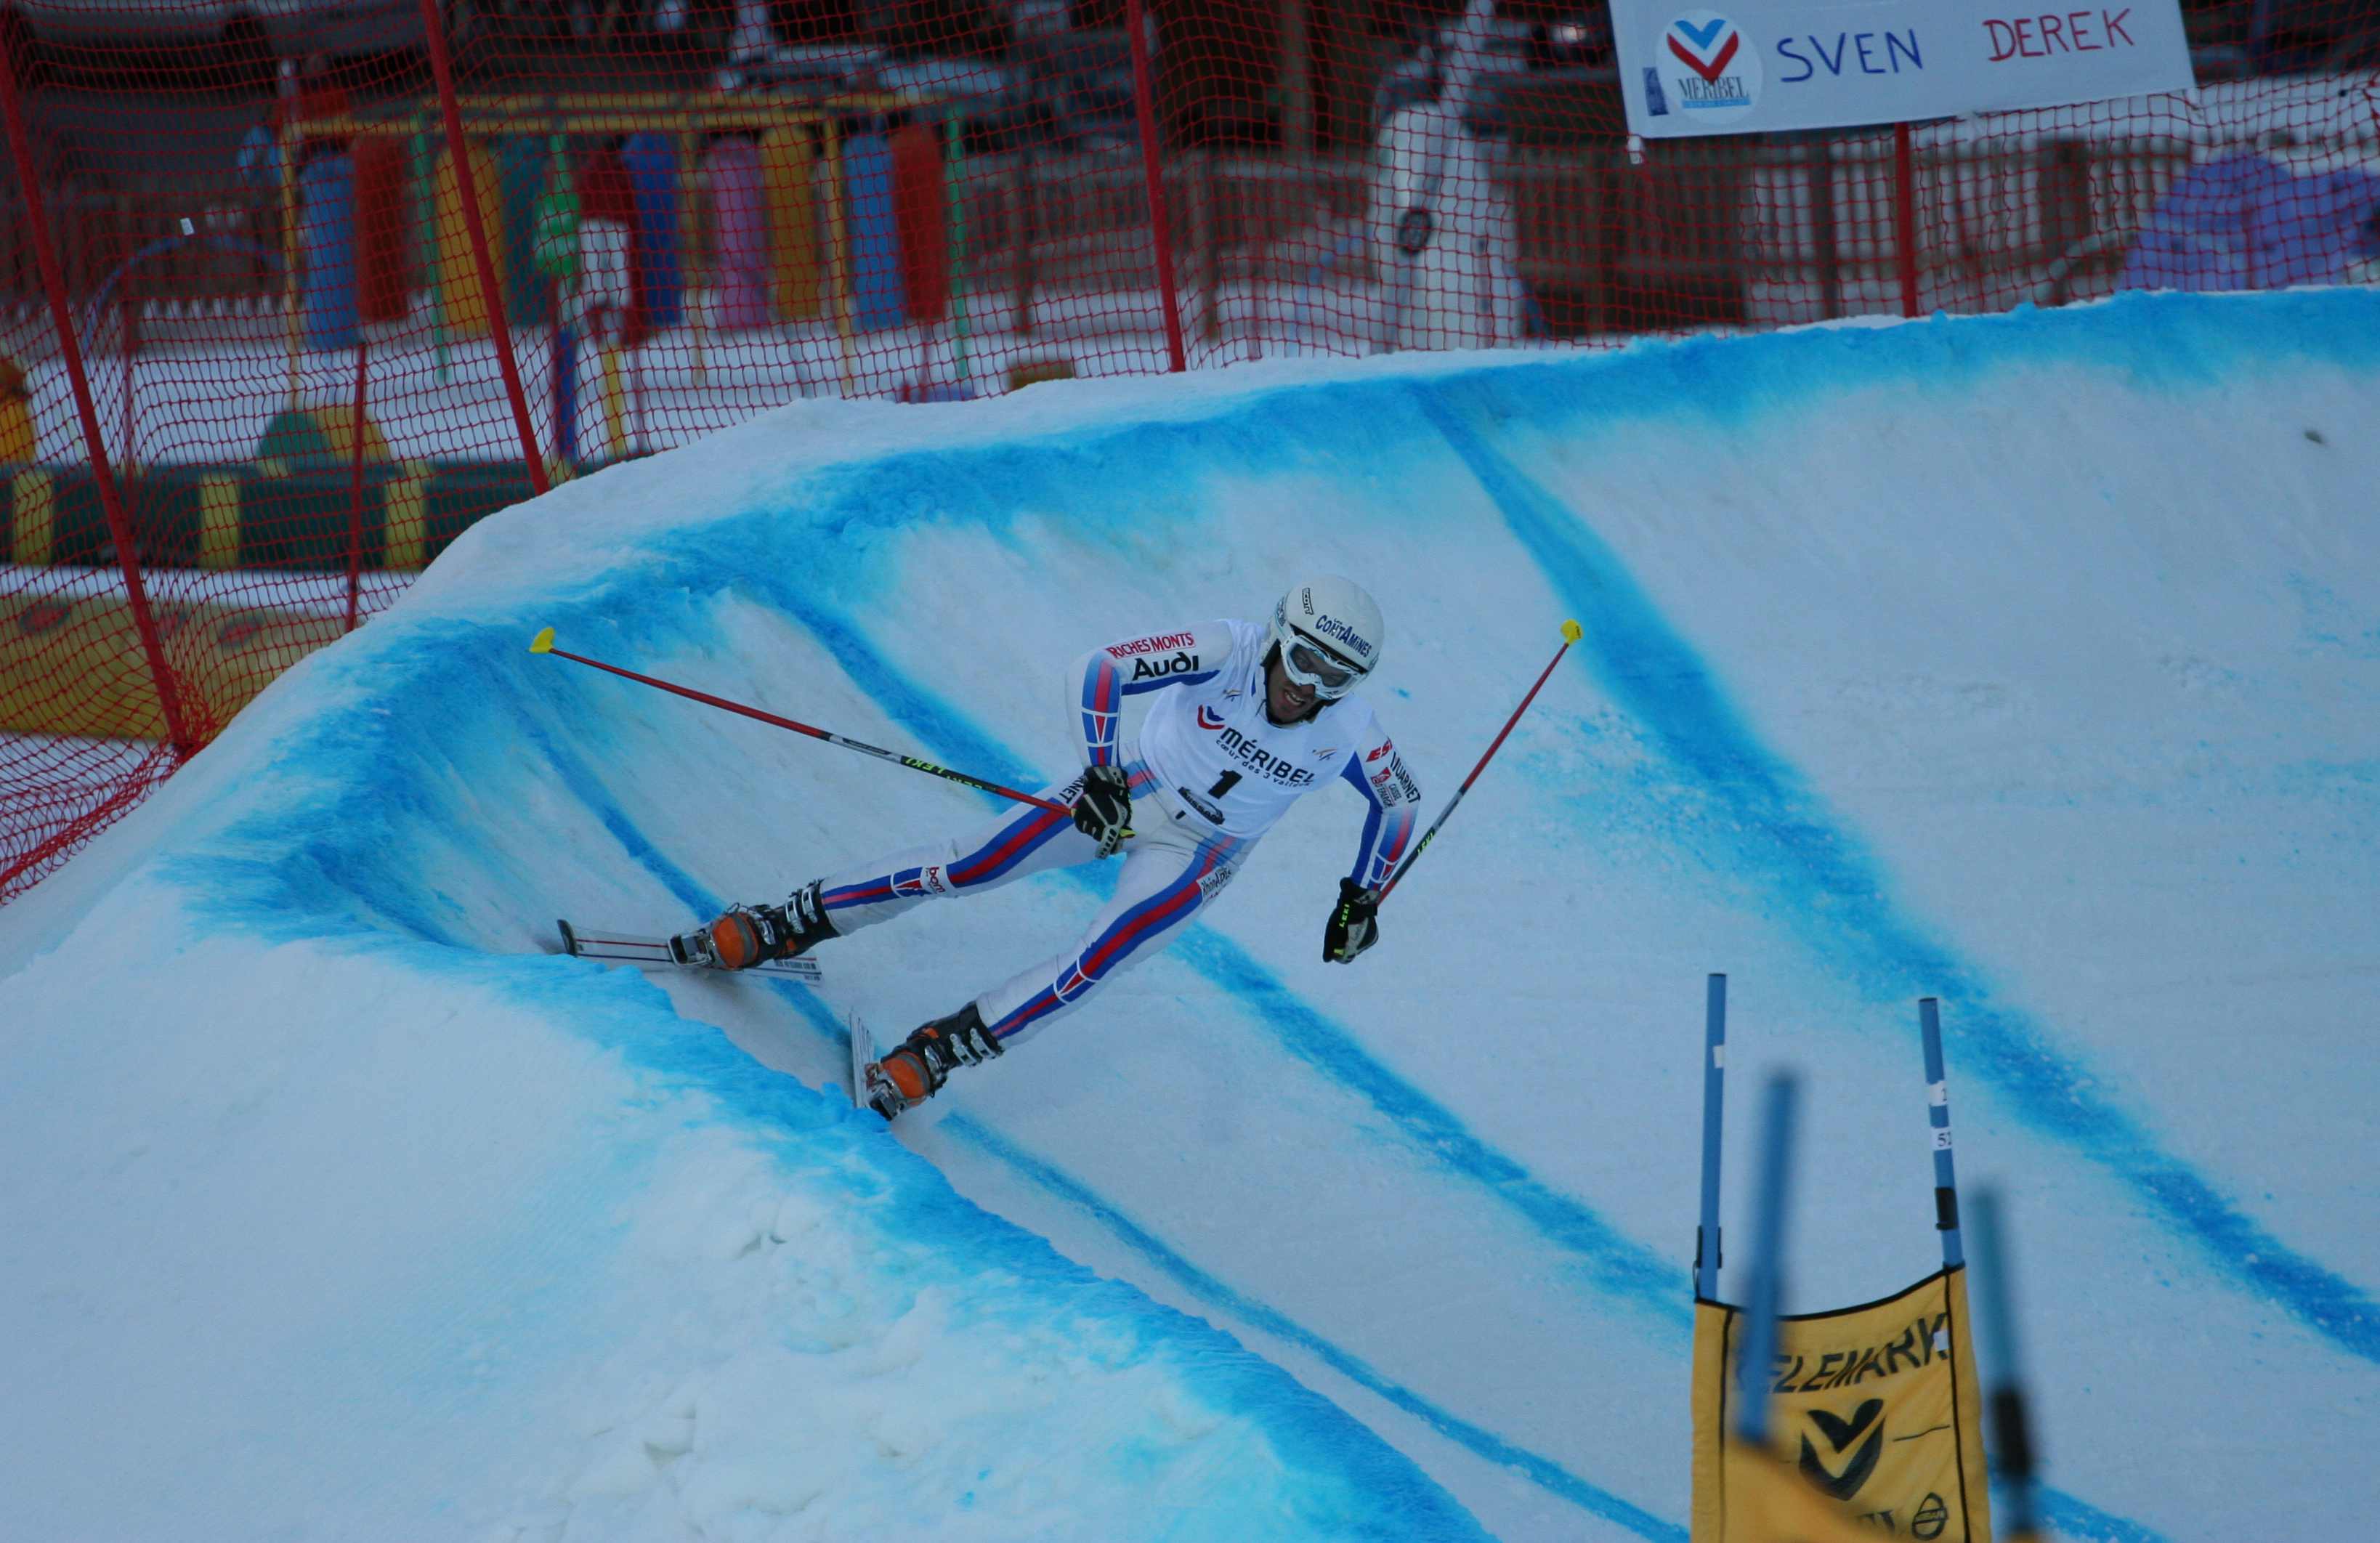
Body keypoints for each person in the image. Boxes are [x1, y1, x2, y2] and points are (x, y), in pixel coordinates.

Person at [687, 575, 1422, 1119]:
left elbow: (1400, 802)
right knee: (969, 866)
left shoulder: (1348, 730)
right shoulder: (1230, 649)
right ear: (1280, 636)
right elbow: (1099, 669)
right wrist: (1101, 770)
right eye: (1304, 661)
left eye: (1337, 677)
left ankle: (939, 1051)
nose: (1309, 687)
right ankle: (788, 923)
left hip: (1203, 854)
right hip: (1135, 788)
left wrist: (1362, 896)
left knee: (1094, 965)